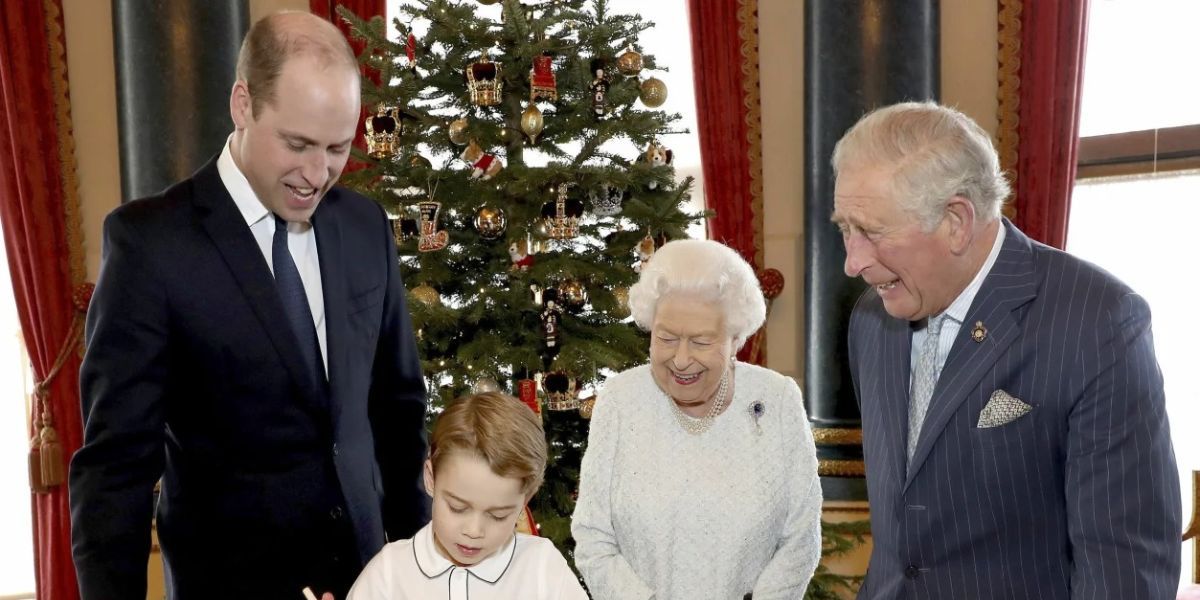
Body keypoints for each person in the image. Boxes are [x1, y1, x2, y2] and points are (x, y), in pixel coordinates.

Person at [68, 11, 429, 599]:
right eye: (297, 144)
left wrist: (422, 578)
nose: (318, 174)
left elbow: (397, 411)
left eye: (337, 148)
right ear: (243, 104)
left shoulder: (366, 228)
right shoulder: (150, 245)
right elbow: (115, 471)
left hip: (369, 580)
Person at [832, 101, 1182, 599]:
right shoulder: (871, 318)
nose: (852, 261)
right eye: (845, 228)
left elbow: (1125, 562)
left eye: (871, 231)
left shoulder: (1097, 321)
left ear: (956, 220)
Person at [572, 239, 822, 600]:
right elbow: (593, 536)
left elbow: (801, 537)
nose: (681, 359)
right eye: (667, 338)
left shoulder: (777, 400)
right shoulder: (620, 401)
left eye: (701, 342)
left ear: (735, 339)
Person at [347, 392, 588, 600]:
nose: (474, 531)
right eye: (457, 507)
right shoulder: (389, 572)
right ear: (431, 478)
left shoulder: (541, 567)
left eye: (497, 516)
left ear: (525, 500)